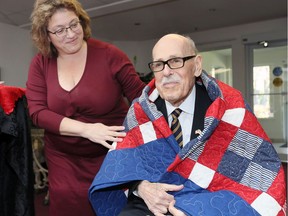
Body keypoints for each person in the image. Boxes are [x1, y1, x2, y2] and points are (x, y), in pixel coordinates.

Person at [89, 33, 286, 216]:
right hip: (152, 203)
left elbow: (259, 178)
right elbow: (122, 168)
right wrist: (141, 187)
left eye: (175, 61)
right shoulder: (140, 111)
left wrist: (196, 211)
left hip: (209, 202)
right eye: (158, 64)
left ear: (197, 65)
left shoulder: (231, 108)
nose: (166, 72)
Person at [25, 0, 145, 215]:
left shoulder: (111, 55)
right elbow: (37, 112)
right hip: (63, 156)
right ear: (46, 34)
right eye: (60, 30)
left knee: (110, 207)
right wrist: (87, 129)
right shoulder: (41, 63)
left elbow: (142, 99)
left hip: (110, 154)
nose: (70, 34)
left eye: (74, 24)